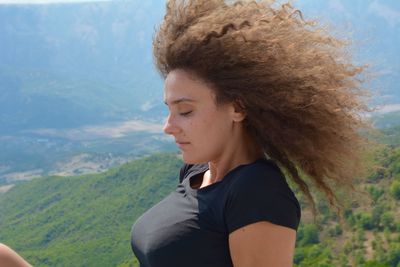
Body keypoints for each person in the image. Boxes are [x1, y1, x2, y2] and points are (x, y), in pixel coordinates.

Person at [130, 0, 375, 266]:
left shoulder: (256, 192)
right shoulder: (196, 172)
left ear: (237, 108)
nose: (168, 126)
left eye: (185, 111)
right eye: (169, 110)